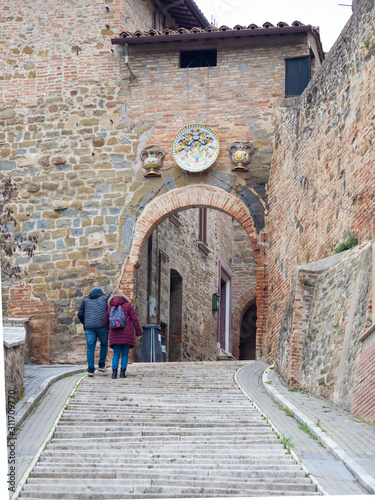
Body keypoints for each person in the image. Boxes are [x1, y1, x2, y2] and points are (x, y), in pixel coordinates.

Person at [104, 293, 142, 379]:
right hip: (127, 333)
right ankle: (122, 373)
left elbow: (106, 321)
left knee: (116, 354)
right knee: (125, 354)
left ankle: (114, 373)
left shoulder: (110, 307)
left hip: (114, 333)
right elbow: (134, 319)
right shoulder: (128, 305)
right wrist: (138, 332)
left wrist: (109, 331)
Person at [78, 286, 109, 377]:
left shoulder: (86, 300)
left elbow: (80, 314)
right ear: (101, 292)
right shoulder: (105, 298)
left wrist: (85, 323)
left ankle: (91, 369)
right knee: (104, 344)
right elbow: (108, 312)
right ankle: (101, 365)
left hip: (89, 328)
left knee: (90, 348)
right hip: (102, 326)